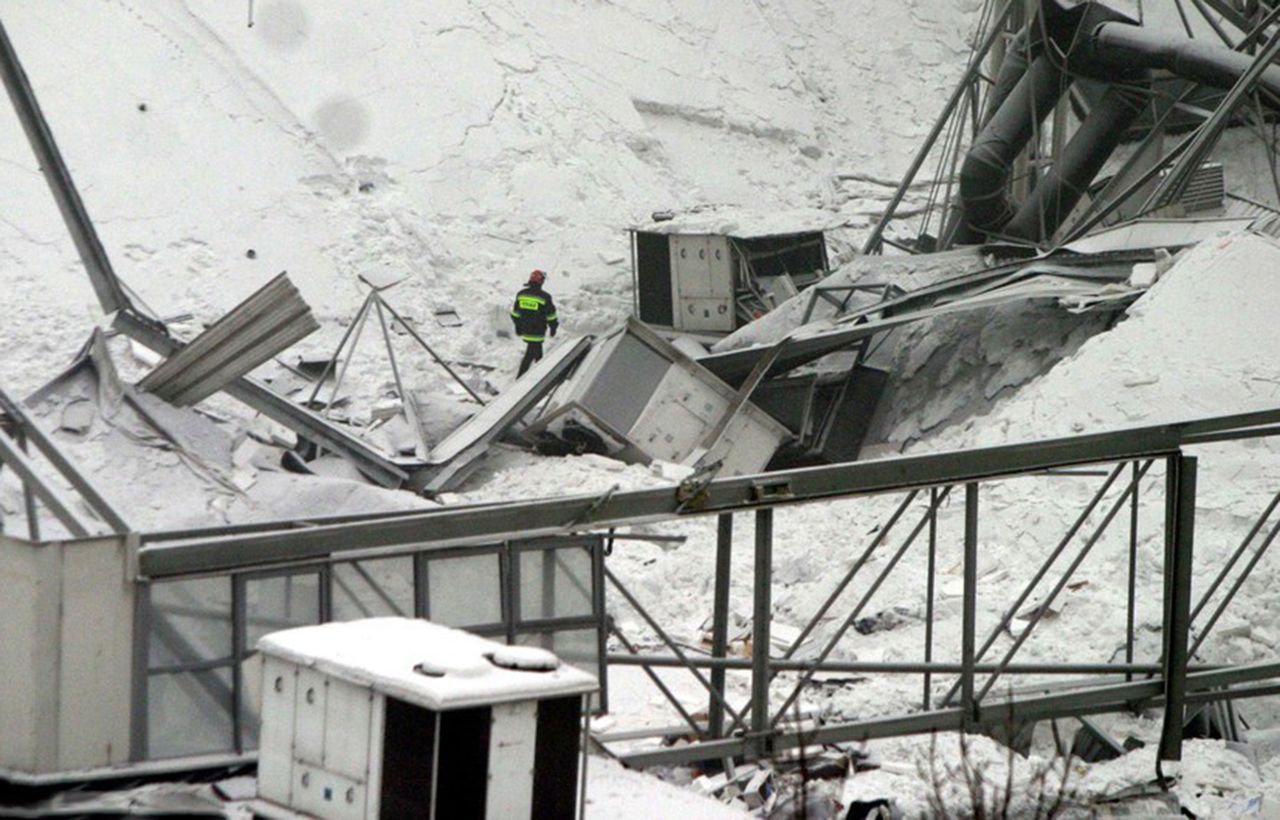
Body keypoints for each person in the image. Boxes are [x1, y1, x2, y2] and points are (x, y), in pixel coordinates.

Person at [511, 269, 558, 376]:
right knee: (530, 355)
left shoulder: (521, 294)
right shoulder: (544, 297)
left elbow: (515, 314)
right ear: (541, 281)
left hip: (525, 329)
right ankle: (521, 378)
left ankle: (540, 374)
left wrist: (518, 326)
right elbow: (550, 315)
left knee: (537, 353)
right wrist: (553, 327)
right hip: (538, 331)